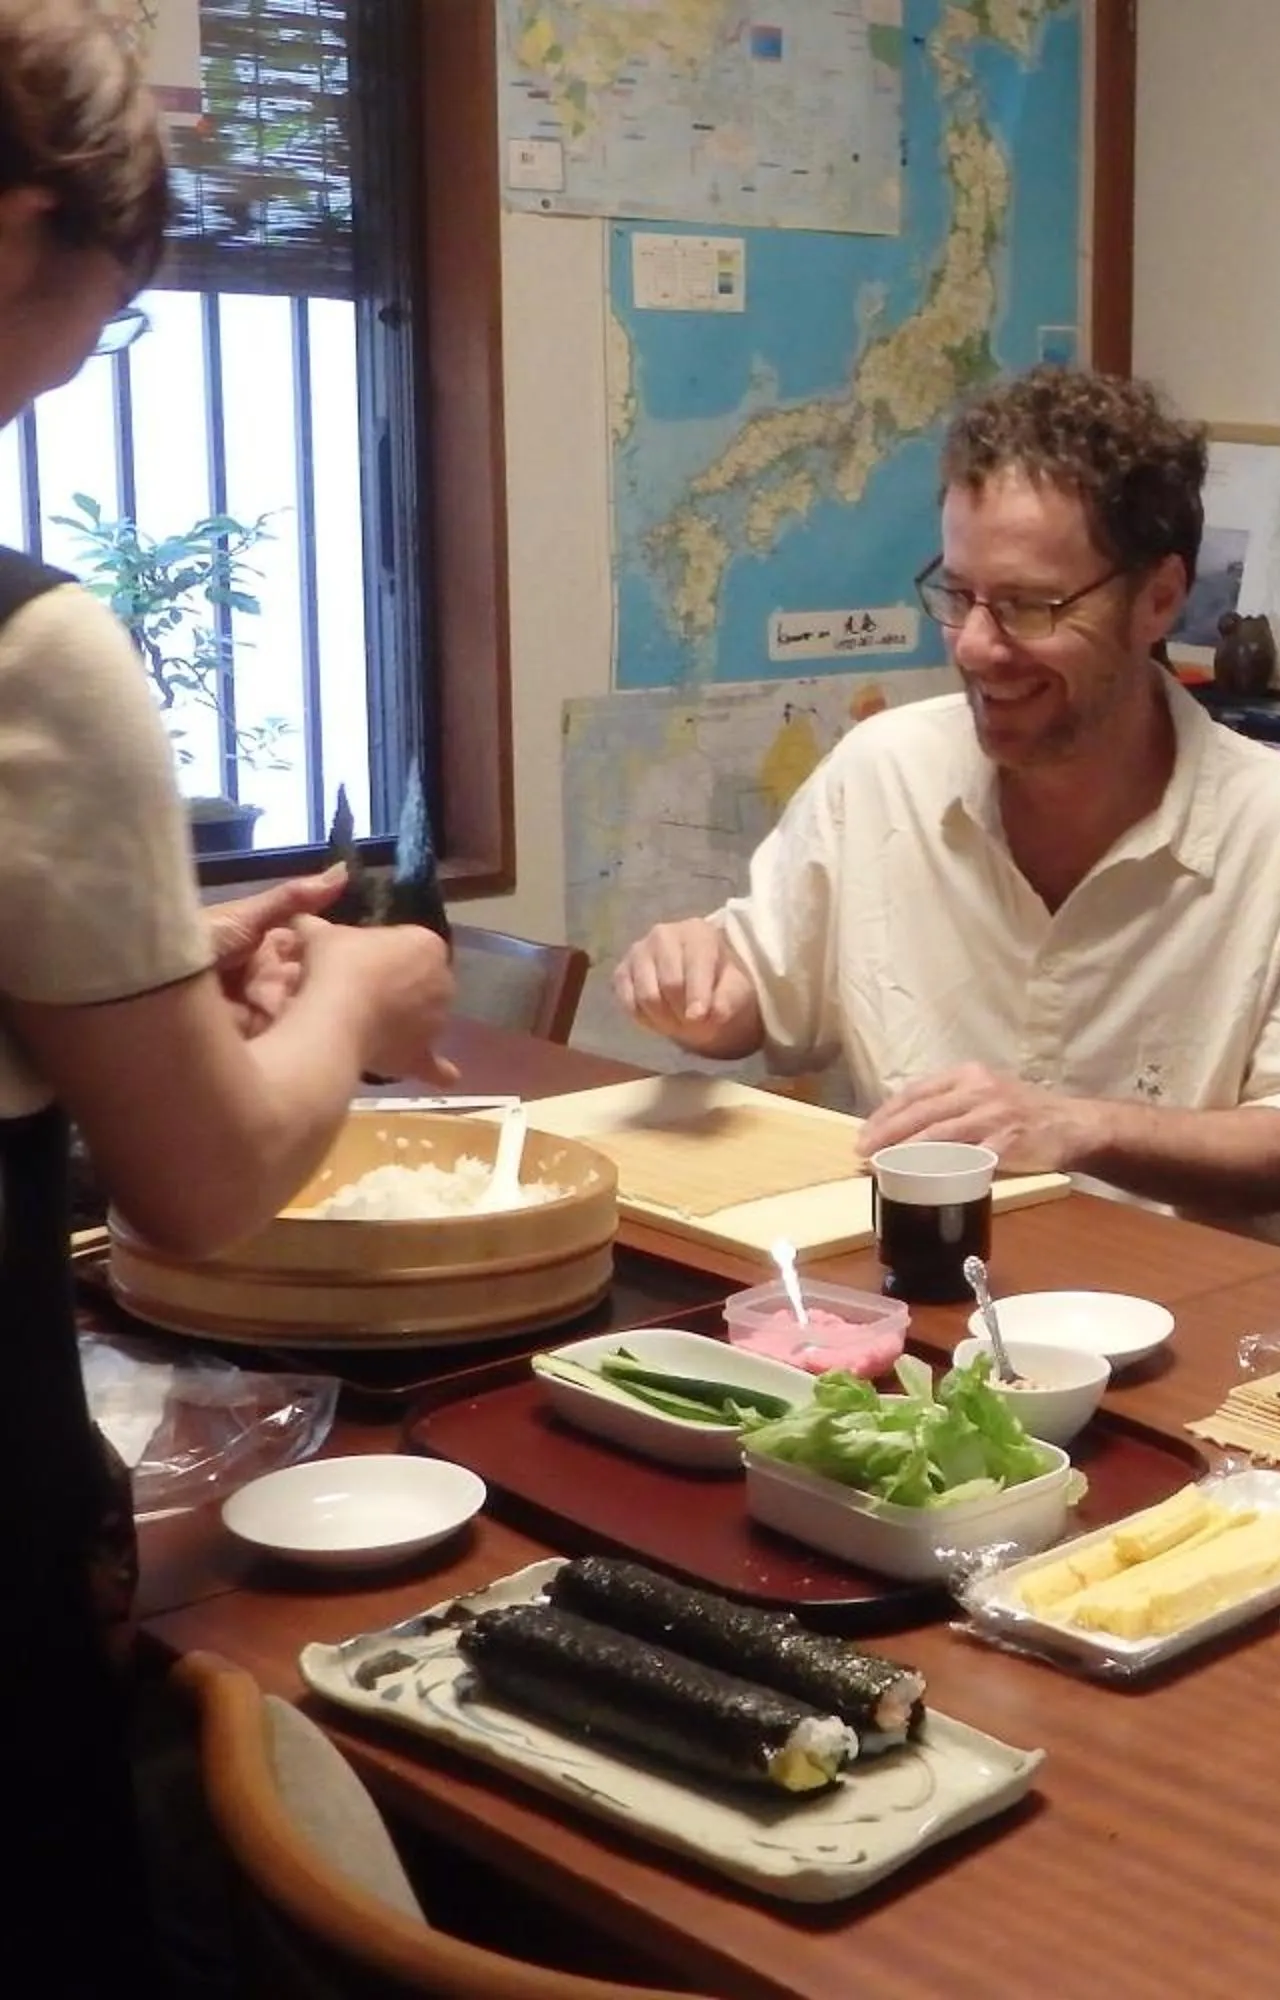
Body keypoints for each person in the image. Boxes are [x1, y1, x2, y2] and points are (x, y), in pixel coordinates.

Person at [0, 0, 457, 1961]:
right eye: (104, 310)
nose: (89, 361)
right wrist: (353, 1001)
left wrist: (150, 967)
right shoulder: (31, 652)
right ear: (22, 231)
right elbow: (199, 1185)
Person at [614, 367, 1280, 1232]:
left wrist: (1081, 1128)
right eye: (960, 595)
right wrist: (698, 981)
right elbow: (753, 999)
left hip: (1168, 1310)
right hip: (916, 1280)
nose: (978, 647)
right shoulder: (883, 772)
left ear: (1159, 599)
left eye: (1029, 606)